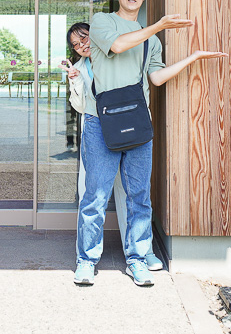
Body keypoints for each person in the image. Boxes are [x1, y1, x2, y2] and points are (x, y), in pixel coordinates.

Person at [72, 0, 227, 287]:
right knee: (96, 195)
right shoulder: (102, 22)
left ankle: (137, 259)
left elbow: (155, 78)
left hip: (138, 124)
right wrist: (157, 25)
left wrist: (192, 58)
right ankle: (86, 261)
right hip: (99, 122)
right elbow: (116, 46)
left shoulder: (151, 42)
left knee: (139, 196)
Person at [62, 22, 163, 272]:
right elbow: (79, 106)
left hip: (128, 129)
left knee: (134, 193)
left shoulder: (114, 56)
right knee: (93, 194)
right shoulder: (80, 67)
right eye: (76, 44)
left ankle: (143, 251)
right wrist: (75, 81)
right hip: (98, 132)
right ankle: (85, 257)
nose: (82, 45)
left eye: (84, 38)